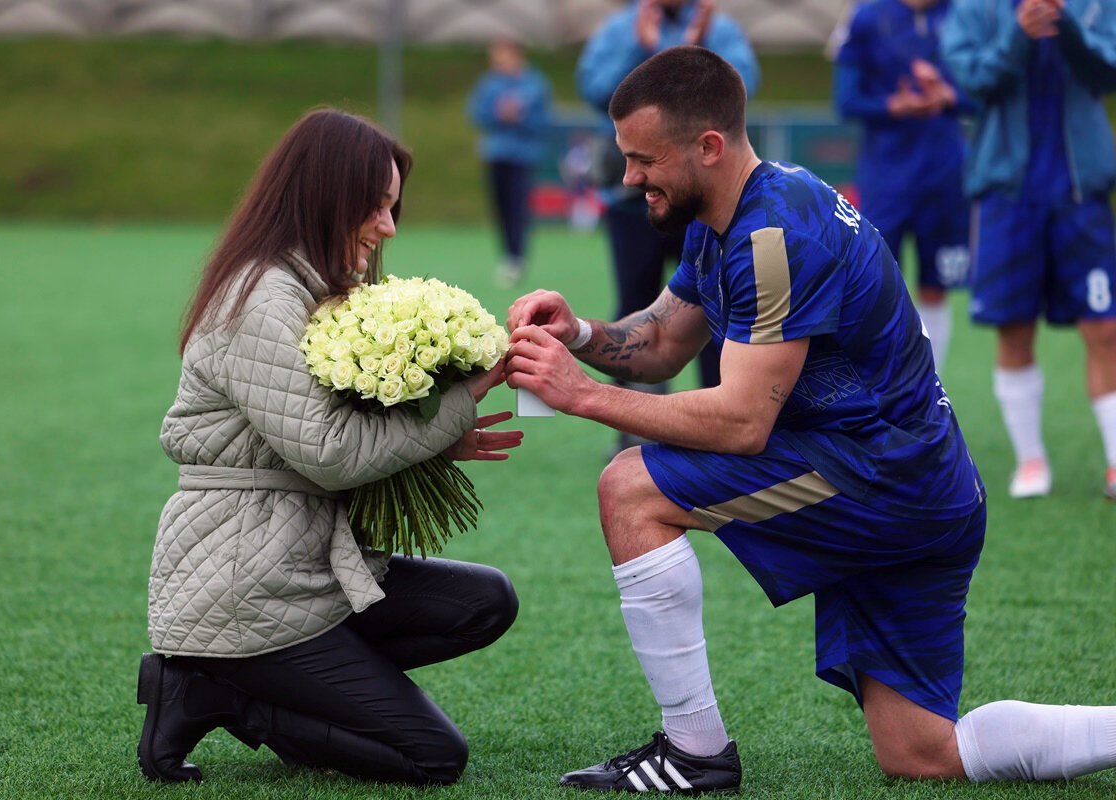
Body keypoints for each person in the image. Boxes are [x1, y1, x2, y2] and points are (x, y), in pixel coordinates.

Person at [505, 46, 1116, 793]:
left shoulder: (773, 241)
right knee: (920, 753)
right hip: (923, 485)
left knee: (629, 487)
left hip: (880, 483)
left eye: (643, 159)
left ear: (709, 147)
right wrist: (581, 337)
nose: (629, 178)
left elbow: (739, 425)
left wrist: (582, 395)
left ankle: (693, 754)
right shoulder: (734, 212)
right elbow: (663, 340)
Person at [136, 108, 522, 787]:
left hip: (307, 567)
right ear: (323, 195)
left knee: (485, 600)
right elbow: (329, 452)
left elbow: (323, 435)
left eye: (393, 207)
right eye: (376, 207)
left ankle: (286, 684)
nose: (389, 227)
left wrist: (429, 439)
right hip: (243, 587)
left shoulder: (313, 288)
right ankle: (220, 693)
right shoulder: (259, 297)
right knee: (432, 757)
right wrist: (460, 401)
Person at [942, 0, 1116, 500]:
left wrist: (1067, 30)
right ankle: (1031, 460)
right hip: (1006, 197)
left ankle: (1112, 460)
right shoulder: (974, 8)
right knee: (1013, 327)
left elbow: (1107, 71)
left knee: (1104, 326)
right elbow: (973, 82)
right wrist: (1018, 35)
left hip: (1082, 193)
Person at [576, 0, 760, 453]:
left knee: (721, 309)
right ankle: (633, 426)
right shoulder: (621, 28)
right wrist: (637, 50)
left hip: (696, 191)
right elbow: (594, 88)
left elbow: (740, 89)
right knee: (638, 300)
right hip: (633, 205)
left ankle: (717, 414)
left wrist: (694, 57)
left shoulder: (721, 29)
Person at [833, 0, 973, 370]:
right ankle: (882, 391)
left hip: (944, 176)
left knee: (936, 287)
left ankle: (932, 391)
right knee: (875, 288)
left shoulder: (962, 12)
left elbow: (988, 93)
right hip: (886, 179)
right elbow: (845, 101)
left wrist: (949, 97)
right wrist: (893, 105)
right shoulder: (867, 16)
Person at [467, 38, 553, 289]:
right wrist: (498, 114)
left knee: (518, 207)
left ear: (516, 53)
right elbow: (477, 113)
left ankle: (517, 257)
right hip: (495, 154)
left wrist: (519, 117)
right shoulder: (490, 83)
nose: (497, 61)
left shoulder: (535, 84)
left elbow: (543, 121)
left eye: (501, 55)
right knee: (500, 207)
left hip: (522, 156)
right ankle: (507, 255)